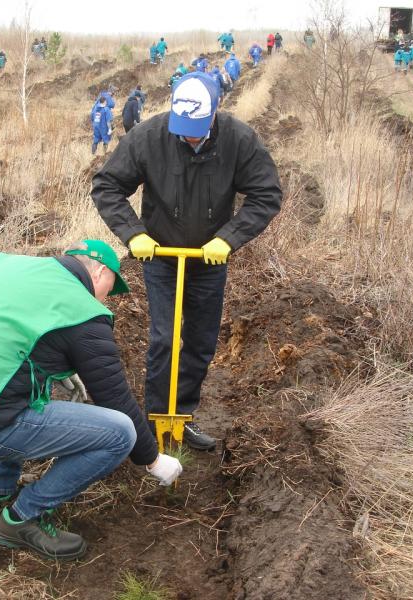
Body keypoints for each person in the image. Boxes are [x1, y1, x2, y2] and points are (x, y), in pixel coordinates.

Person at [0, 241, 182, 561]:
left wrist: (53, 365)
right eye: (112, 284)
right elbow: (115, 398)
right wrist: (152, 459)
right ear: (99, 271)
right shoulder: (82, 310)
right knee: (121, 432)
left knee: (18, 389)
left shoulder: (9, 266)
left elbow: (6, 339)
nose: (109, 295)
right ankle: (22, 517)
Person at [91, 72, 282, 451]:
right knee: (163, 339)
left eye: (196, 128)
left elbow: (266, 193)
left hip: (209, 259)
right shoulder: (149, 136)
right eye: (183, 128)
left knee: (199, 341)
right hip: (159, 254)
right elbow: (107, 185)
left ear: (215, 112)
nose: (189, 136)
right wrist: (134, 234)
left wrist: (227, 240)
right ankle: (156, 422)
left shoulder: (239, 140)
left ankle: (182, 415)